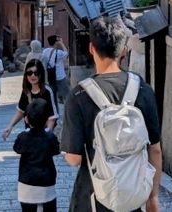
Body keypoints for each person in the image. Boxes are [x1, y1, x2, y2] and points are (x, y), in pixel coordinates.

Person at [61, 15, 162, 212]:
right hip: (134, 197)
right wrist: (153, 197)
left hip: (93, 196)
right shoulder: (142, 89)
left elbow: (74, 159)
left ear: (91, 48)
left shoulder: (79, 95)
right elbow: (155, 149)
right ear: (123, 50)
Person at [13, 98, 60, 212]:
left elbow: (17, 148)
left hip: (27, 183)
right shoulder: (50, 137)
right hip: (47, 181)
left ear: (26, 119)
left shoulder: (23, 137)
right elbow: (56, 150)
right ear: (46, 119)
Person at [2, 59, 58, 140]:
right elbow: (21, 111)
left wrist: (47, 136)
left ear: (41, 74)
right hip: (30, 134)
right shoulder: (26, 91)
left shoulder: (47, 91)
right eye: (29, 73)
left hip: (43, 135)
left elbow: (52, 117)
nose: (33, 76)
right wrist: (10, 126)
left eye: (36, 73)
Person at [41, 35, 70, 105]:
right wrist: (62, 43)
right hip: (60, 76)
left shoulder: (45, 51)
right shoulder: (59, 52)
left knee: (53, 93)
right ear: (56, 42)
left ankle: (56, 103)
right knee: (66, 94)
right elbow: (66, 53)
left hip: (50, 76)